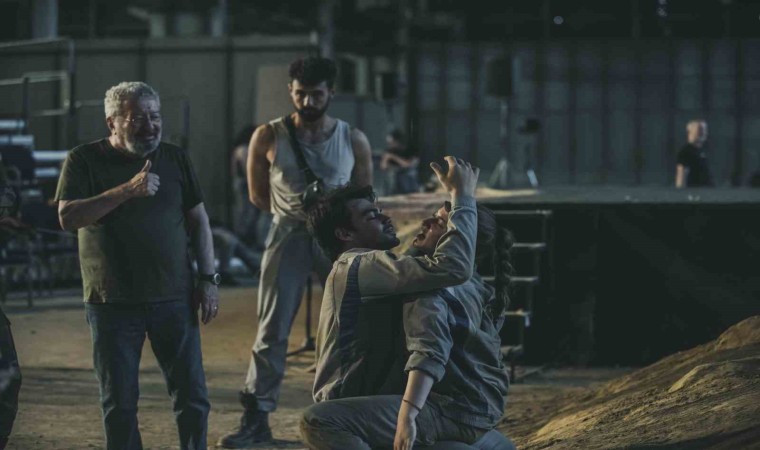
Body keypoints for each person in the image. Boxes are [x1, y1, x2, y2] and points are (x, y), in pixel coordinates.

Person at [301, 157, 513, 449]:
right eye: (372, 216)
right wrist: (462, 197)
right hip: (351, 400)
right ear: (345, 234)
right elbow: (451, 266)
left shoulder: (405, 273)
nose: (385, 218)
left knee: (324, 421)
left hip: (403, 402)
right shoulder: (356, 266)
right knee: (320, 418)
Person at [218, 56, 373, 448]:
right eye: (300, 93)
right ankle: (256, 419)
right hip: (287, 234)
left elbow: (364, 196)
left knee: (347, 328)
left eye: (316, 94)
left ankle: (347, 416)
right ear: (290, 90)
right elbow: (257, 195)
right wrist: (293, 216)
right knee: (271, 330)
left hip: (336, 239)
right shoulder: (268, 135)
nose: (307, 102)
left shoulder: (352, 138)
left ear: (331, 93)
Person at [54, 81, 219, 450]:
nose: (150, 126)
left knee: (193, 397)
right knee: (120, 404)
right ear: (111, 122)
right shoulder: (83, 160)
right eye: (137, 118)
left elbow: (199, 222)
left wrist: (208, 279)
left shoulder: (175, 158)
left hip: (174, 297)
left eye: (155, 116)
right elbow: (68, 217)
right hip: (111, 301)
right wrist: (127, 190)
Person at [380, 128, 419, 194]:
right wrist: (385, 159)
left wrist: (394, 157)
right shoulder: (389, 150)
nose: (390, 145)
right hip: (394, 177)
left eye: (392, 142)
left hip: (407, 175)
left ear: (397, 141)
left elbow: (408, 165)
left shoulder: (409, 149)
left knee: (410, 173)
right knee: (391, 175)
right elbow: (383, 167)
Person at [675, 119, 713, 188]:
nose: (703, 133)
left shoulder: (702, 151)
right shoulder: (686, 152)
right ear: (690, 131)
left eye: (704, 130)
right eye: (700, 130)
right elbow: (681, 176)